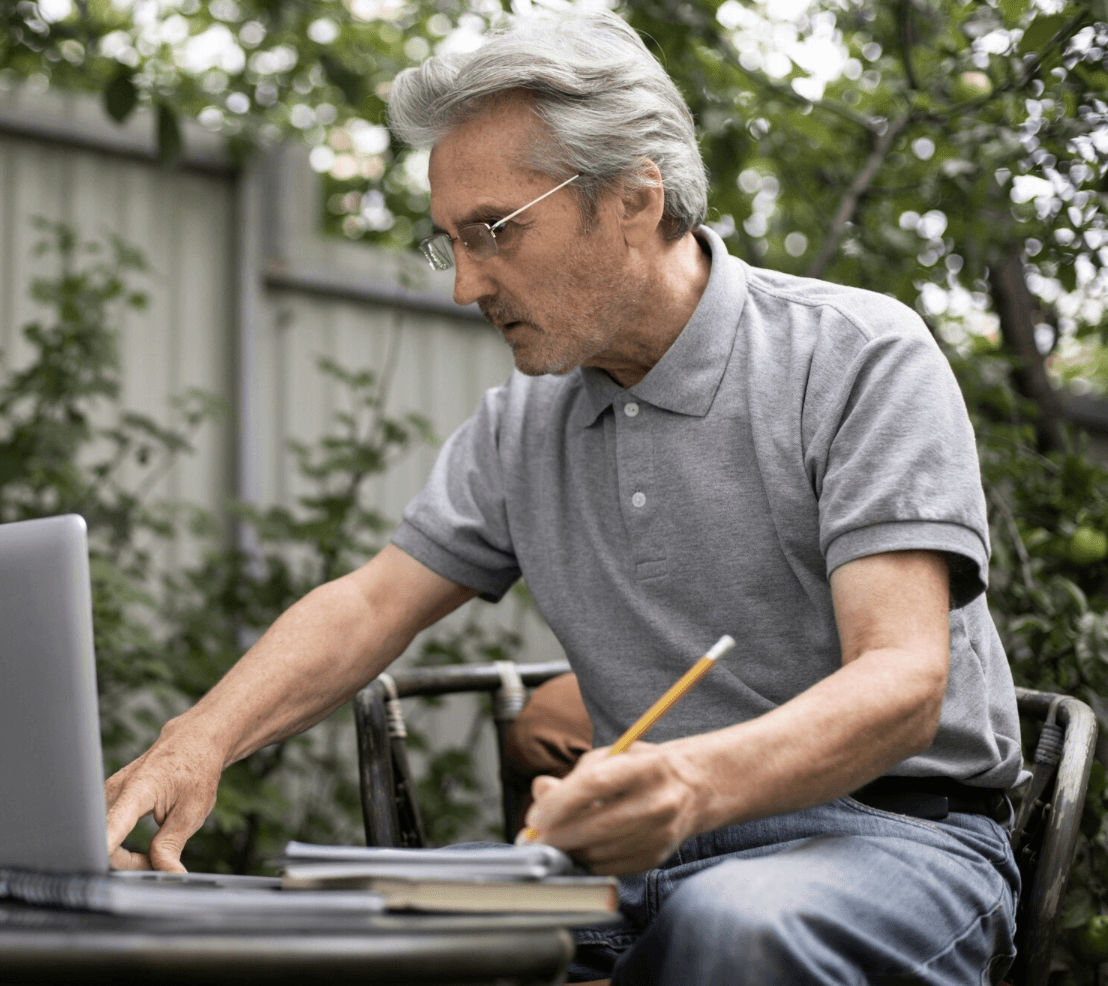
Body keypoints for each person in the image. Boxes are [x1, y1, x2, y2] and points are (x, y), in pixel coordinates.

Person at [104, 9, 1026, 983]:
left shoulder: (857, 356)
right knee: (344, 914)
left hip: (890, 842)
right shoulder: (522, 422)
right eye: (447, 242)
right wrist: (197, 738)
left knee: (730, 924)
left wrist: (686, 777)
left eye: (492, 231)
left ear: (633, 196)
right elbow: (370, 601)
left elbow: (903, 679)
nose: (463, 284)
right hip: (635, 865)